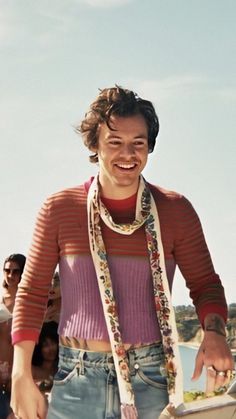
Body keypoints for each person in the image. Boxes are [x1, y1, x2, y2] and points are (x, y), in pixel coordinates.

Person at [10, 86, 234, 419]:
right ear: (94, 145)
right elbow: (31, 293)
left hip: (153, 375)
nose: (127, 154)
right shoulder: (59, 208)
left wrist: (214, 333)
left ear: (149, 147)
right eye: (114, 142)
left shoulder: (175, 210)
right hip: (77, 378)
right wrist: (20, 375)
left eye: (138, 143)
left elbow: (205, 284)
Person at [0, 254, 26, 419]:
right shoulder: (0, 301)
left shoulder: (29, 302)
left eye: (16, 271)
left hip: (21, 374)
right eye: (7, 270)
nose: (10, 275)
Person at [32, 322, 59, 396]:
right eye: (45, 345)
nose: (51, 348)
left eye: (53, 343)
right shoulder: (32, 370)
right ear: (38, 348)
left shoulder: (60, 369)